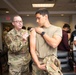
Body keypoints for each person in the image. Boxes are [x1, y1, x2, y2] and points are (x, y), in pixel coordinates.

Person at [30, 8, 62, 75]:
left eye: (39, 18)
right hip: (38, 63)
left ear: (46, 17)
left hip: (52, 63)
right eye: (36, 18)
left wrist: (42, 33)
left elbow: (54, 44)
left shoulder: (57, 29)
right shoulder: (34, 31)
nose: (37, 21)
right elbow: (32, 50)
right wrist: (38, 64)